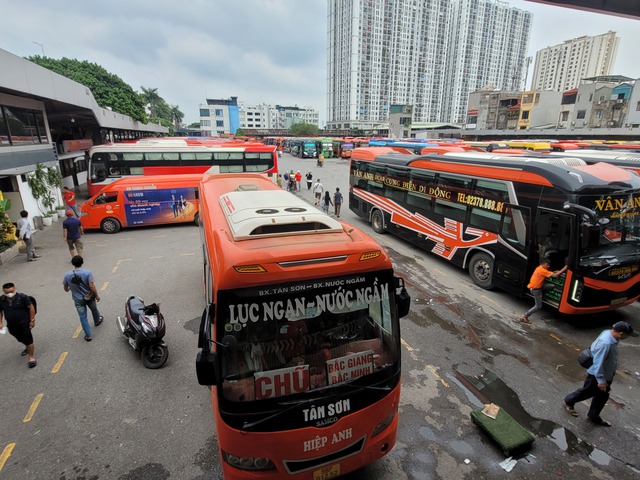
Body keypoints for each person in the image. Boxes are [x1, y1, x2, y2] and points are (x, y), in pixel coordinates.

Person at [563, 321, 638, 427]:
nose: (627, 337)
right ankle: (569, 401)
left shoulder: (608, 333)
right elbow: (598, 363)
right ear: (621, 334)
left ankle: (593, 416)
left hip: (606, 373)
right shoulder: (606, 343)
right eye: (627, 335)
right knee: (587, 391)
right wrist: (601, 380)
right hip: (598, 375)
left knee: (602, 396)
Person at [63, 255, 103, 342]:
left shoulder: (67, 275)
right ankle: (97, 320)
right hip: (89, 297)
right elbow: (92, 286)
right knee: (94, 309)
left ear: (73, 264)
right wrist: (96, 295)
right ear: (82, 262)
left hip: (78, 299)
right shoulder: (87, 273)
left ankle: (88, 335)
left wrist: (69, 288)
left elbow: (66, 288)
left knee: (83, 317)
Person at [0, 283, 37, 368]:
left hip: (24, 322)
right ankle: (27, 346)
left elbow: (31, 308)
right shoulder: (2, 299)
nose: (9, 294)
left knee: (28, 339)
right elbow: (0, 311)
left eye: (11, 291)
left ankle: (31, 357)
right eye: (7, 292)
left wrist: (32, 320)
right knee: (19, 337)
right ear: (3, 291)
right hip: (11, 324)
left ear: (15, 289)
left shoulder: (23, 297)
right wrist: (0, 322)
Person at [519, 258, 567, 324]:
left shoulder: (539, 268)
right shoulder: (542, 270)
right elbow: (555, 275)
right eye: (547, 265)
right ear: (543, 264)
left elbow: (550, 273)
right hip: (536, 290)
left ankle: (541, 297)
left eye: (549, 265)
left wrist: (555, 272)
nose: (548, 266)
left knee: (551, 286)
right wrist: (565, 267)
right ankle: (524, 316)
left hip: (538, 287)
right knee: (538, 306)